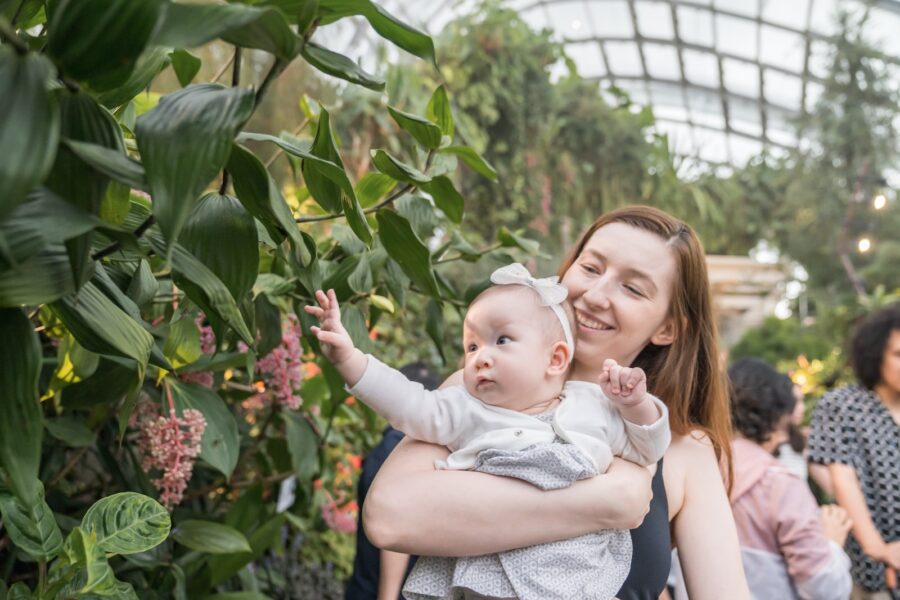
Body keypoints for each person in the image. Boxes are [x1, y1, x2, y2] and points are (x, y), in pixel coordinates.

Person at [361, 205, 750, 600]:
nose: (595, 295)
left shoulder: (687, 451)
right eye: (591, 268)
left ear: (668, 328)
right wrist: (603, 502)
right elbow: (388, 516)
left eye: (632, 288)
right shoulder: (477, 391)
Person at [307, 262, 671, 599]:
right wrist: (351, 361)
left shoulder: (594, 406)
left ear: (555, 359)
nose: (481, 355)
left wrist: (636, 404)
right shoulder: (468, 409)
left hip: (572, 579)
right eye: (471, 345)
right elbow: (409, 403)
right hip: (483, 580)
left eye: (502, 341)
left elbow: (646, 448)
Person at [727, 357, 853, 600]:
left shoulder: (698, 466)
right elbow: (823, 587)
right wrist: (831, 541)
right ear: (779, 414)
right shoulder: (778, 484)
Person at [808, 303, 900, 600]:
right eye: (898, 354)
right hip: (872, 568)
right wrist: (879, 548)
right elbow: (842, 478)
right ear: (875, 354)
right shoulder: (844, 404)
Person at [346, 363, 435, 600]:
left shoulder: (391, 446)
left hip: (368, 583)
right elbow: (396, 526)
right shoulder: (403, 450)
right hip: (384, 589)